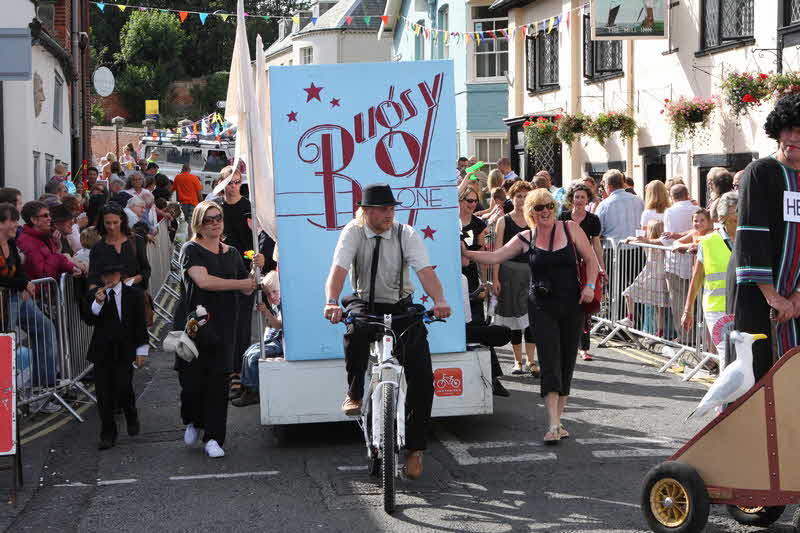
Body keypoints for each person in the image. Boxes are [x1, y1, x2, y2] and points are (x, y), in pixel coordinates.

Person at [324, 183, 451, 480]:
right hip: (364, 302)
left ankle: (415, 451)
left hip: (400, 306)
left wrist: (440, 300)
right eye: (383, 209)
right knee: (354, 330)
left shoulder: (405, 233)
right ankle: (355, 391)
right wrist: (331, 301)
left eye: (392, 208)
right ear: (365, 211)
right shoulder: (353, 231)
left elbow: (425, 271)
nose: (389, 214)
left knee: (421, 376)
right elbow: (339, 270)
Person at [462, 189, 599, 443]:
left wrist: (589, 286)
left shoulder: (570, 228)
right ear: (531, 212)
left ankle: (559, 420)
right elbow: (496, 256)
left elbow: (591, 260)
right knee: (549, 360)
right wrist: (468, 254)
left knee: (567, 361)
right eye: (538, 208)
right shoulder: (526, 237)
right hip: (541, 307)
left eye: (548, 205)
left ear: (554, 207)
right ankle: (553, 423)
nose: (544, 211)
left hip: (572, 305)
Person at [174, 201, 260, 458]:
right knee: (191, 383)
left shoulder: (232, 252)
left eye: (218, 218)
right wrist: (240, 282)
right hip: (194, 326)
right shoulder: (191, 249)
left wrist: (256, 267)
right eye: (209, 219)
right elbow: (204, 281)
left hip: (224, 325)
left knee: (218, 383)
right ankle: (193, 420)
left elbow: (247, 288)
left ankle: (214, 437)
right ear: (199, 223)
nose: (214, 222)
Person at [726, 94, 800, 379]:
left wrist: (796, 297)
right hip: (756, 291)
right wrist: (773, 297)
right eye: (787, 129)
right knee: (752, 370)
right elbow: (750, 237)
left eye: (799, 130)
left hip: (795, 294)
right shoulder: (761, 173)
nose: (792, 137)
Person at [0, 203, 60, 408]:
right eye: (13, 220)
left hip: (17, 299)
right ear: (1, 223)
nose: (17, 225)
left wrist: (24, 282)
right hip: (5, 303)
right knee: (7, 346)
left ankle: (42, 391)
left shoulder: (11, 243)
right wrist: (22, 284)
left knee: (44, 328)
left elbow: (20, 270)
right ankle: (8, 404)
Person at [85, 262, 148, 450]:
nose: (109, 279)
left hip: (124, 349)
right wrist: (98, 303)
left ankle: (131, 413)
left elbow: (139, 324)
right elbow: (88, 319)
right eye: (105, 276)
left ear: (120, 274)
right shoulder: (95, 295)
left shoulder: (134, 295)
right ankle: (107, 434)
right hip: (102, 350)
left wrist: (142, 349)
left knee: (123, 387)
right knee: (104, 395)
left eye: (112, 274)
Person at [213, 166, 255, 401]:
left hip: (243, 271)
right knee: (222, 323)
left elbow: (255, 240)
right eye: (229, 182)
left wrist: (253, 263)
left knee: (242, 325)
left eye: (237, 182)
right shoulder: (215, 208)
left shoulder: (247, 207)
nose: (233, 186)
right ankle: (226, 372)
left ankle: (239, 373)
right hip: (218, 270)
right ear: (221, 183)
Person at [683, 193, 738, 367]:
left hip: (743, 306)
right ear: (722, 217)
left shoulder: (749, 238)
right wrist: (688, 309)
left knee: (739, 355)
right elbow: (697, 277)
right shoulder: (707, 242)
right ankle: (727, 394)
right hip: (716, 308)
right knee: (725, 353)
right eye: (734, 216)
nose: (738, 221)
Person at [492, 181, 538, 375]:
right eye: (518, 196)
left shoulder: (535, 220)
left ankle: (531, 360)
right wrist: (495, 279)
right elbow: (497, 252)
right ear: (512, 198)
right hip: (509, 274)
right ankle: (517, 361)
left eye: (526, 196)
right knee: (514, 320)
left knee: (531, 318)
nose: (522, 199)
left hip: (532, 273)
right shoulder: (503, 221)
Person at [559, 184, 605, 360]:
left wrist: (602, 267)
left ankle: (583, 347)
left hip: (586, 267)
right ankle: (565, 342)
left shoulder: (593, 220)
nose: (579, 200)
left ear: (587, 200)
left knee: (584, 308)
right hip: (565, 265)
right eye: (576, 197)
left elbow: (597, 245)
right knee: (566, 305)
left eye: (582, 197)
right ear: (572, 199)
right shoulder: (563, 217)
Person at [232, 271, 283, 408]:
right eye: (268, 294)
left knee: (254, 356)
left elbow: (279, 325)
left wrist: (266, 312)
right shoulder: (276, 303)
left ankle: (254, 390)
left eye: (274, 292)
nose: (272, 297)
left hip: (282, 343)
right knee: (248, 352)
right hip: (277, 339)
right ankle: (245, 386)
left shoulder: (285, 305)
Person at [662, 185, 701, 341]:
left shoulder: (670, 212)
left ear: (672, 196)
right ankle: (697, 337)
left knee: (678, 301)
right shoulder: (697, 208)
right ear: (687, 194)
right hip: (695, 260)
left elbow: (667, 239)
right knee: (695, 301)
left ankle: (685, 337)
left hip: (676, 261)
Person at [620, 220, 670, 336]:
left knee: (630, 293)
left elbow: (636, 239)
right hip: (656, 273)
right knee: (659, 307)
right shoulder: (658, 242)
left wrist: (629, 238)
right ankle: (659, 331)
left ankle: (631, 317)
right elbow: (637, 239)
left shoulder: (652, 242)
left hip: (652, 273)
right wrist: (631, 238)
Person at [89, 203, 150, 292]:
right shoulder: (97, 248)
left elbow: (146, 270)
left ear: (122, 220)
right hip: (110, 300)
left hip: (135, 296)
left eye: (115, 222)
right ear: (102, 223)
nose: (112, 227)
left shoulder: (136, 241)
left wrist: (134, 279)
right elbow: (93, 278)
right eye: (108, 223)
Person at [17, 201, 82, 280]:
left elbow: (52, 264)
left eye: (49, 215)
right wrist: (58, 257)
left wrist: (58, 252)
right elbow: (43, 275)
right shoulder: (28, 242)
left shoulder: (45, 236)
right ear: (34, 220)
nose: (49, 218)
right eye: (45, 216)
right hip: (40, 291)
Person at [596, 169, 644, 242]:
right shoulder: (639, 200)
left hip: (613, 249)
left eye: (604, 186)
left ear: (609, 186)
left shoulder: (604, 204)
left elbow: (597, 230)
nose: (604, 189)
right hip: (636, 248)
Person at [174, 163, 203, 231]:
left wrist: (177, 201)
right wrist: (202, 203)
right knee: (191, 222)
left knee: (187, 221)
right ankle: (190, 238)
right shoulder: (194, 178)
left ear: (182, 169)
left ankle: (188, 237)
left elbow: (175, 190)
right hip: (193, 203)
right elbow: (199, 193)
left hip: (183, 204)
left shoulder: (177, 177)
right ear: (189, 170)